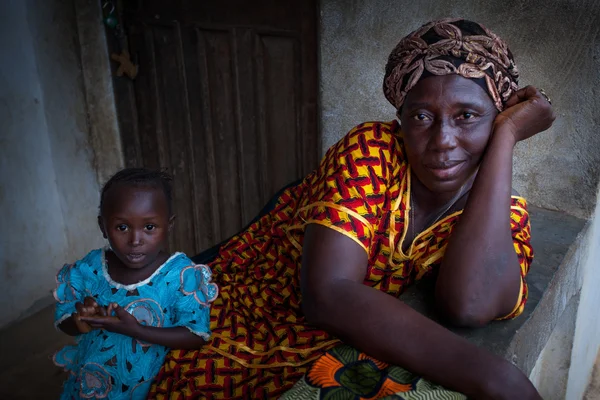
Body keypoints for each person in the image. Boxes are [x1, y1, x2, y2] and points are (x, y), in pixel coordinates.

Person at [149, 18, 555, 399]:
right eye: (422, 116)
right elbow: (328, 294)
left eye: (468, 116)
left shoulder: (505, 214)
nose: (443, 139)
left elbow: (470, 304)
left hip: (311, 353)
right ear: (400, 119)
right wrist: (495, 377)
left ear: (496, 119)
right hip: (233, 318)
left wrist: (507, 138)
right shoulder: (372, 150)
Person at [53, 168, 218, 399]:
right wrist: (81, 321)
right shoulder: (90, 268)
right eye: (122, 227)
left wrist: (137, 330)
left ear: (169, 225)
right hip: (88, 386)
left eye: (149, 227)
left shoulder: (180, 275)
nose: (135, 240)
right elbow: (64, 322)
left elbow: (196, 335)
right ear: (103, 226)